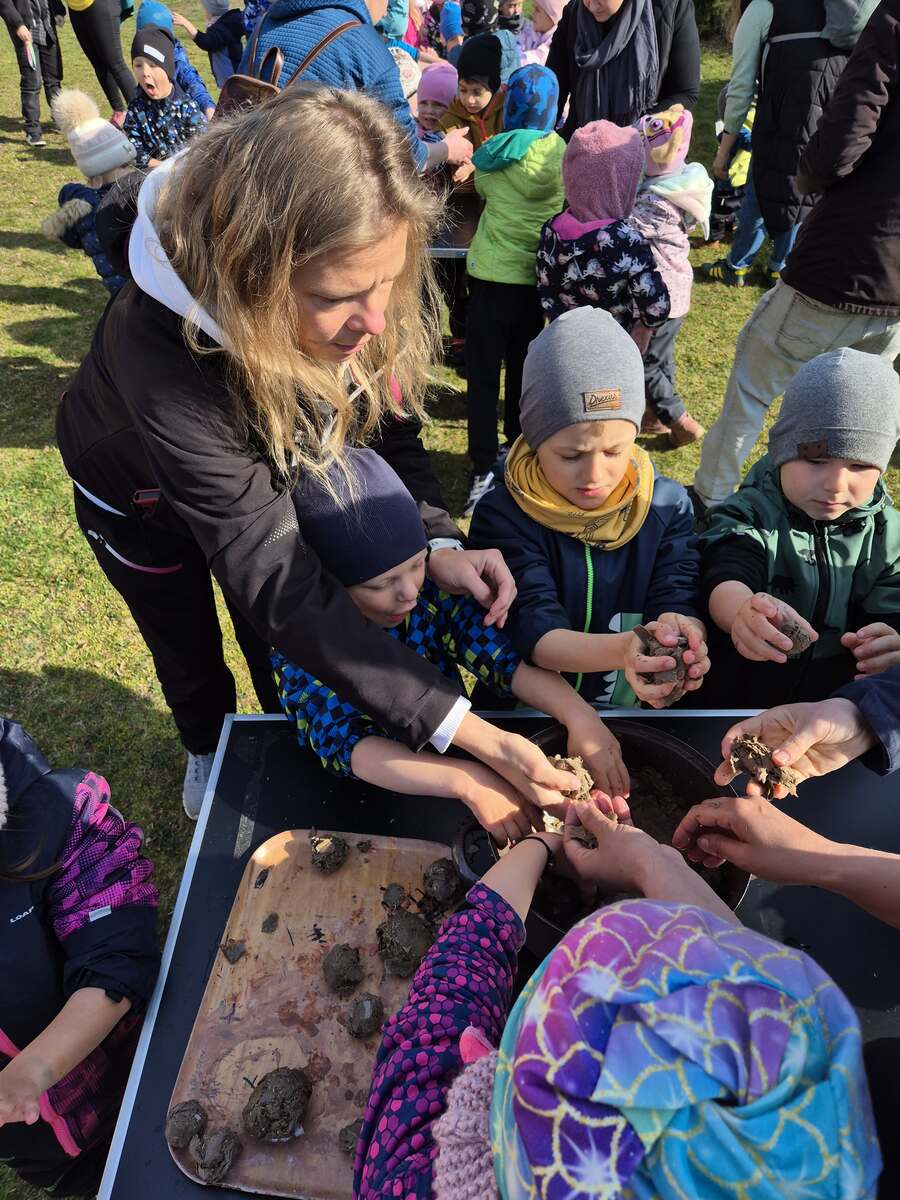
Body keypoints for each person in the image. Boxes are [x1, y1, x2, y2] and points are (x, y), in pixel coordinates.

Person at [55, 87, 562, 821]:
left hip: (259, 470)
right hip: (139, 503)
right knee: (185, 640)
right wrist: (471, 732)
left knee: (277, 645)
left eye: (385, 284)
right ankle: (209, 743)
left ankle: (289, 734)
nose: (375, 321)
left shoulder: (350, 281)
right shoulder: (161, 358)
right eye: (339, 297)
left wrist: (436, 538)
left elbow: (384, 423)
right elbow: (277, 580)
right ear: (253, 272)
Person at [355, 797, 881, 1198]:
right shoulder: (805, 1157)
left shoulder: (404, 1176)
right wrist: (654, 863)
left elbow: (455, 977)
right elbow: (760, 1012)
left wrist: (542, 845)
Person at [274, 450, 629, 842]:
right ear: (328, 585)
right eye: (381, 584)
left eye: (416, 564)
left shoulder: (430, 594)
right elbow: (349, 746)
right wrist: (468, 781)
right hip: (365, 800)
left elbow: (502, 660)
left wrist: (577, 714)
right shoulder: (303, 650)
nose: (409, 592)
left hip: (455, 755)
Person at [692, 0, 900, 511]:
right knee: (858, 407)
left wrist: (807, 177)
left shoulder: (891, 19)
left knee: (755, 386)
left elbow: (841, 139)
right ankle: (836, 519)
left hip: (846, 257)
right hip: (890, 281)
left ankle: (712, 502)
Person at [469, 307, 709, 709]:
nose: (594, 475)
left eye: (614, 451)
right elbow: (536, 631)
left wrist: (681, 631)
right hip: (528, 717)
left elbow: (678, 592)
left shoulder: (666, 506)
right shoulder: (505, 514)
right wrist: (628, 649)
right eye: (571, 455)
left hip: (634, 715)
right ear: (534, 439)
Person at [0, 719, 160, 1197]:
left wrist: (31, 1071)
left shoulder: (55, 817)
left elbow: (117, 955)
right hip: (45, 1145)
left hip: (138, 1063)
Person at [699, 349, 900, 708]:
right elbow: (726, 570)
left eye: (859, 465)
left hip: (834, 709)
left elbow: (893, 607)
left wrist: (891, 640)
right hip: (736, 697)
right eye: (817, 461)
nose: (835, 485)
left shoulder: (889, 536)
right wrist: (741, 611)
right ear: (782, 452)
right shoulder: (749, 513)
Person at [462, 64, 564, 516]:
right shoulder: (561, 152)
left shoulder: (495, 152)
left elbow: (481, 184)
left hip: (489, 278)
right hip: (534, 281)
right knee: (523, 370)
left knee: (483, 376)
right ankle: (517, 450)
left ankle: (482, 465)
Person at [239, 0, 473, 175]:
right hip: (314, 194)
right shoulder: (364, 44)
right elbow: (408, 155)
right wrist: (447, 148)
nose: (388, 9)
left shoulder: (265, 24)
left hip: (249, 178)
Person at [536, 119, 670, 335]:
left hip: (562, 339)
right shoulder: (626, 241)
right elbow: (656, 307)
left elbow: (545, 286)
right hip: (611, 343)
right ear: (623, 184)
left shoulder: (552, 229)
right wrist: (645, 326)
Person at [631, 105, 711, 445]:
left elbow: (628, 229)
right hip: (678, 289)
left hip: (656, 294)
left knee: (642, 360)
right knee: (661, 358)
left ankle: (679, 419)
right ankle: (656, 418)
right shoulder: (684, 184)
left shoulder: (654, 200)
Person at [546, 0, 700, 141]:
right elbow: (551, 91)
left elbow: (685, 93)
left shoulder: (671, 7)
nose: (591, 6)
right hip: (579, 148)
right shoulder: (574, 13)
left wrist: (632, 135)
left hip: (644, 149)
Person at [41, 90, 138, 296]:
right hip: (139, 288)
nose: (131, 171)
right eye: (124, 166)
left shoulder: (82, 205)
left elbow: (71, 238)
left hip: (119, 293)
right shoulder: (126, 201)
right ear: (96, 178)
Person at [124, 26, 207, 169]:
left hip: (186, 175)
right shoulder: (136, 109)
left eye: (152, 65)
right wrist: (163, 168)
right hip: (151, 177)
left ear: (167, 68)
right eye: (138, 65)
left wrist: (176, 171)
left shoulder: (187, 108)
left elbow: (203, 150)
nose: (145, 73)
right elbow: (133, 151)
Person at [0, 0, 63, 147]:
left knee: (53, 80)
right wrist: (18, 24)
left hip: (47, 29)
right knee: (32, 83)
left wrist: (59, 10)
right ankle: (33, 131)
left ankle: (61, 120)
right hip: (26, 32)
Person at [136, 0, 216, 115]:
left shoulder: (175, 58)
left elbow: (192, 82)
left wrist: (208, 108)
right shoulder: (142, 54)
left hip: (182, 117)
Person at [439, 32, 507, 165]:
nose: (469, 100)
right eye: (463, 90)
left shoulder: (506, 113)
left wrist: (474, 166)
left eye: (477, 92)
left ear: (493, 88)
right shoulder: (450, 119)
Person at [63, 0, 135, 125]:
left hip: (100, 5)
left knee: (116, 64)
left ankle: (142, 114)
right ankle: (119, 112)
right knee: (99, 65)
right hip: (75, 7)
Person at [515, 0, 562, 66]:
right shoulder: (531, 30)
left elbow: (538, 58)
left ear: (552, 18)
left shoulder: (556, 43)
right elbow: (517, 44)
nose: (532, 13)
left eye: (537, 10)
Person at [416, 58, 456, 133]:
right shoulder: (408, 133)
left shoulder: (458, 135)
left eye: (438, 104)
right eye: (423, 103)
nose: (429, 111)